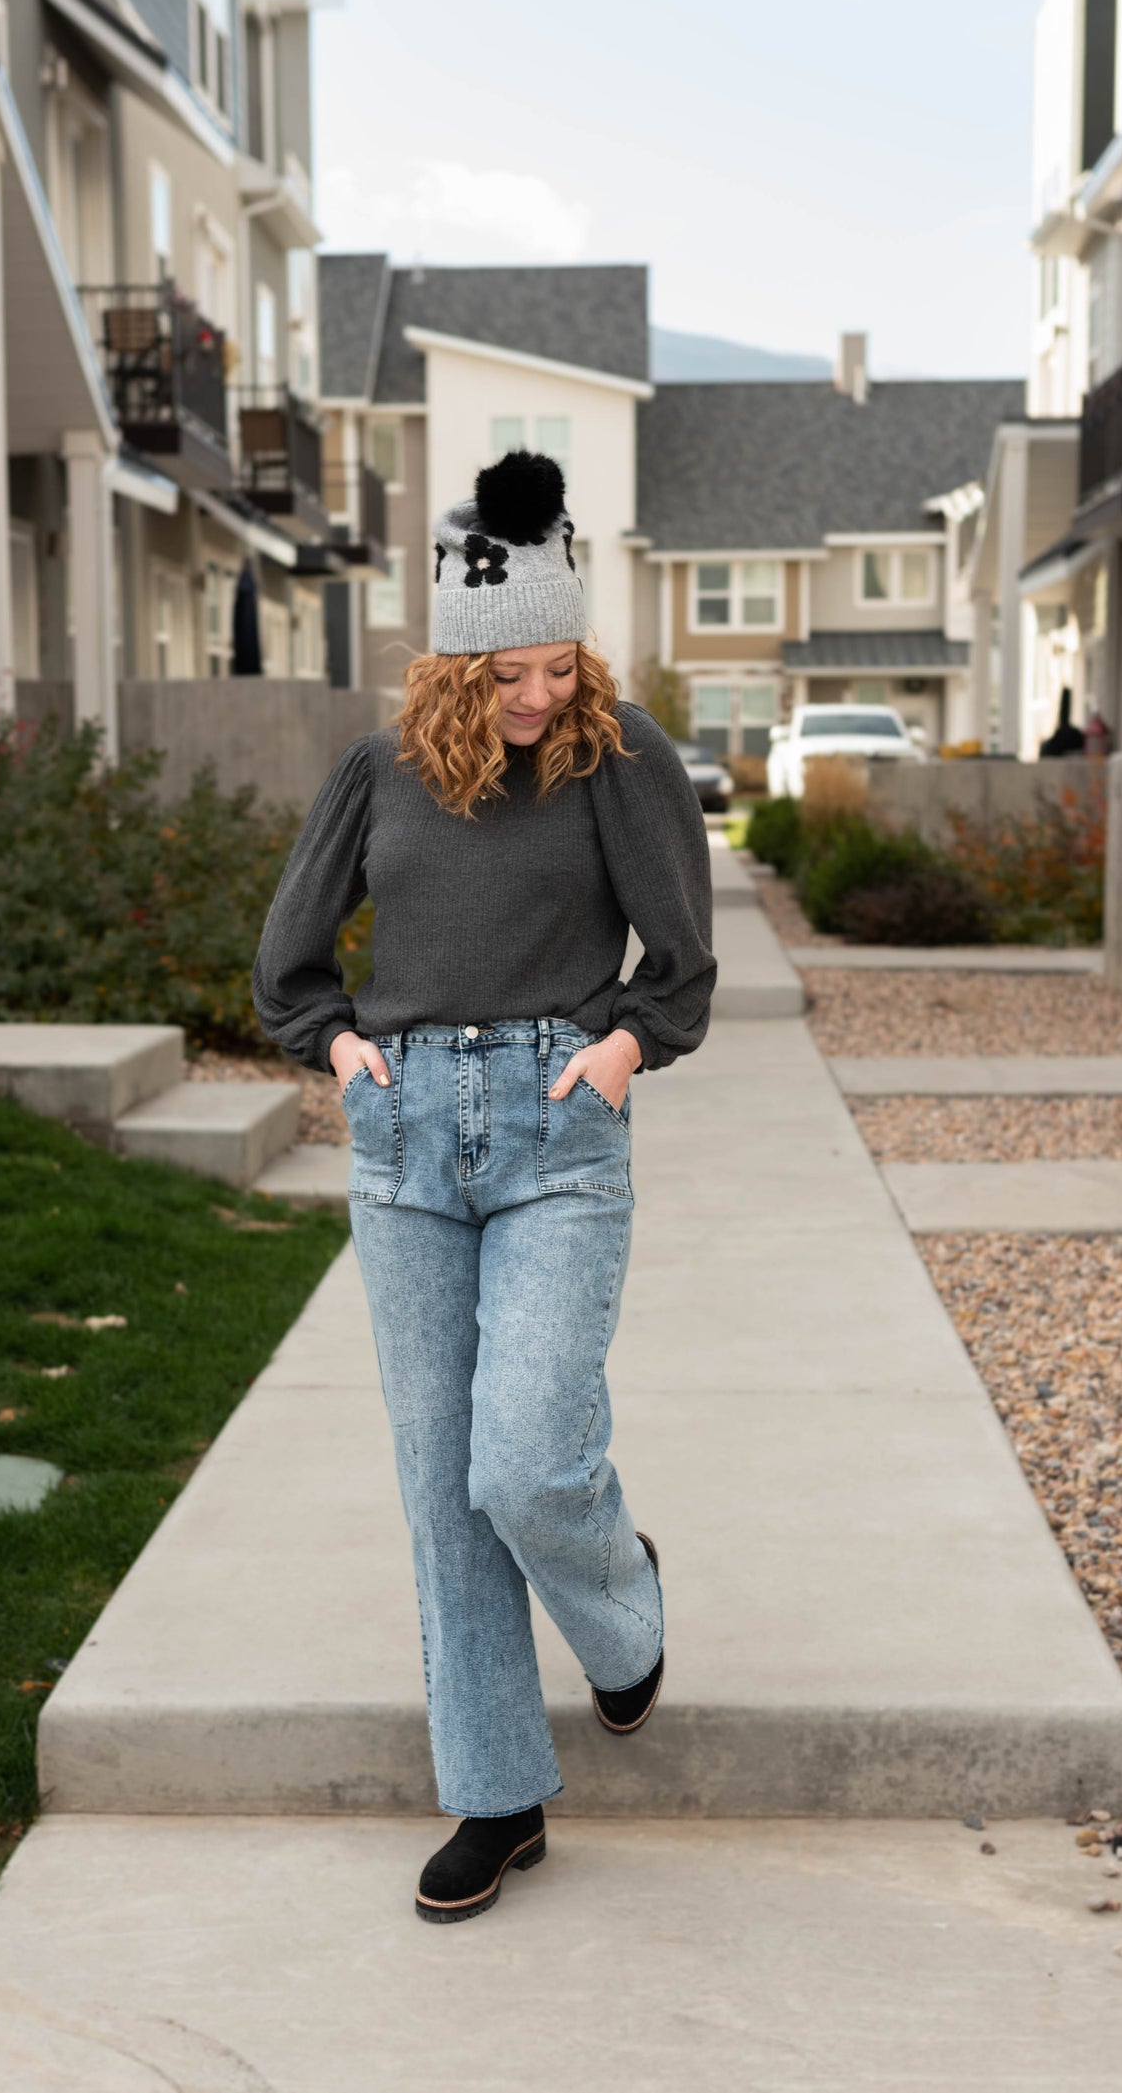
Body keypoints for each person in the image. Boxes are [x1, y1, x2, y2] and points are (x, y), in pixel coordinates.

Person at [251, 449, 716, 1923]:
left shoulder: (618, 756)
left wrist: (627, 1046)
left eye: (560, 664)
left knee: (522, 1459)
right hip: (404, 1139)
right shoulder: (377, 773)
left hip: (555, 1128)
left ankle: (621, 1610)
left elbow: (684, 962)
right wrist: (340, 1054)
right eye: (510, 672)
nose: (539, 697)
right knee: (441, 1486)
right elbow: (289, 964)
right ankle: (499, 1794)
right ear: (453, 666)